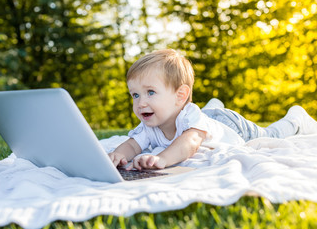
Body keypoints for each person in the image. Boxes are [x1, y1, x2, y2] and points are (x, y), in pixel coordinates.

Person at [108, 49, 317, 170]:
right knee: (204, 116)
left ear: (180, 95)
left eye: (150, 92)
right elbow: (132, 145)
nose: (141, 102)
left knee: (269, 133)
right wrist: (117, 155)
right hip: (205, 118)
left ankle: (295, 119)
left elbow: (189, 142)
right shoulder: (150, 124)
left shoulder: (189, 116)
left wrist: (162, 158)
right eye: (135, 95)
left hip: (231, 126)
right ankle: (213, 106)